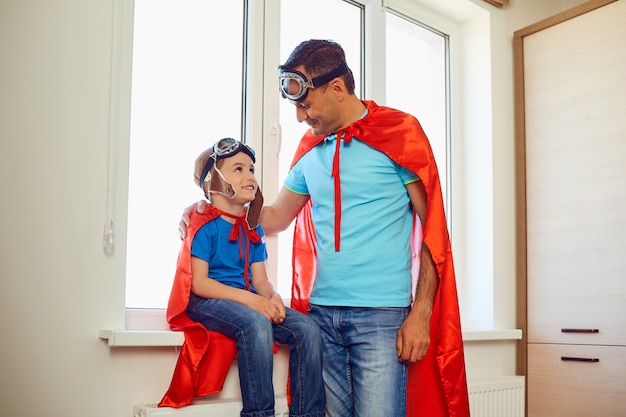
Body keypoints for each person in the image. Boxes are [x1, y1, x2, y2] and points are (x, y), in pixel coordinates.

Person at [181, 40, 469, 417]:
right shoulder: (309, 148)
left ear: (336, 87)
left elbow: (433, 230)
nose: (301, 117)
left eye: (305, 104)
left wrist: (421, 313)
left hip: (381, 318)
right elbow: (274, 218)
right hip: (322, 317)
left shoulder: (399, 133)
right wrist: (211, 205)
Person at [160, 138, 325, 417]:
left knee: (307, 329)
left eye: (251, 169)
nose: (249, 175)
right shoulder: (203, 225)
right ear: (214, 180)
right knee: (256, 323)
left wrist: (271, 297)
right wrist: (254, 303)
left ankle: (308, 413)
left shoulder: (253, 228)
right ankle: (259, 413)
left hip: (245, 300)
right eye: (238, 169)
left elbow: (260, 280)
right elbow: (199, 283)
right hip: (208, 299)